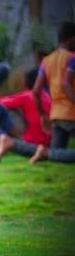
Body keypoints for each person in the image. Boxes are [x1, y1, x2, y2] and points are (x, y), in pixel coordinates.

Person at [0, 67, 66, 163]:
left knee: (1, 109)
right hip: (49, 140)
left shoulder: (27, 96)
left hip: (33, 140)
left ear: (26, 83)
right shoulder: (47, 96)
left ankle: (9, 142)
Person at [32, 20, 75, 163]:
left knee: (56, 154)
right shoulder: (72, 59)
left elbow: (36, 91)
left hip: (56, 114)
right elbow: (66, 84)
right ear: (71, 39)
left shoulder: (47, 61)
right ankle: (45, 153)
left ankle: (41, 152)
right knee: (54, 154)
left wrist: (43, 115)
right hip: (71, 113)